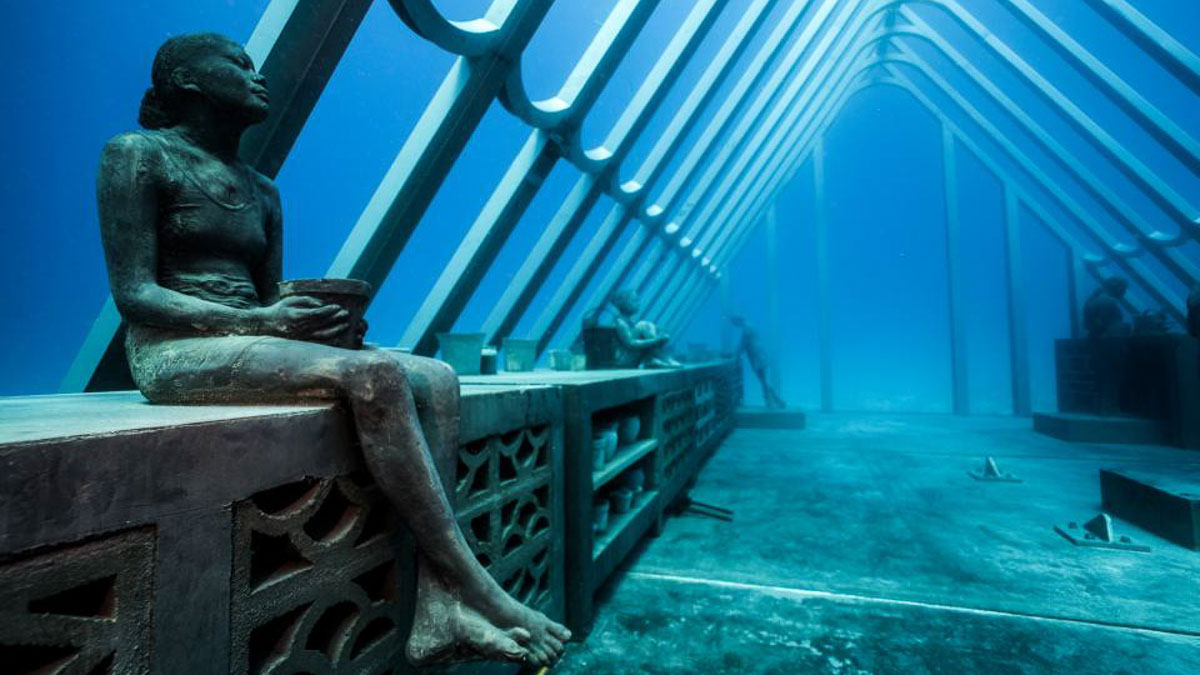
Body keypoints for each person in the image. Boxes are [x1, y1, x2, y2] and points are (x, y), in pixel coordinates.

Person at [96, 33, 567, 667]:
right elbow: (135, 296)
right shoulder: (138, 155)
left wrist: (319, 327)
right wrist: (262, 319)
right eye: (237, 64)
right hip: (173, 351)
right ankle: (478, 588)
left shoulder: (262, 188)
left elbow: (271, 301)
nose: (256, 74)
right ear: (187, 83)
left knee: (435, 376)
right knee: (372, 376)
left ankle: (437, 604)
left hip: (248, 339)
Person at [600, 289, 679, 368]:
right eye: (634, 301)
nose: (638, 304)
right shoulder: (620, 323)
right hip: (624, 361)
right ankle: (661, 358)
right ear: (623, 303)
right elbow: (630, 343)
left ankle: (651, 359)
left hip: (630, 358)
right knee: (643, 325)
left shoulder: (627, 322)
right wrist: (655, 340)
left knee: (648, 325)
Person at [728, 315, 786, 410]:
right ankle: (773, 402)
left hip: (756, 357)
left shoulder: (746, 329)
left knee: (763, 381)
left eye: (735, 323)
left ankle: (775, 401)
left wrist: (734, 355)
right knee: (763, 380)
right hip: (760, 355)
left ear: (738, 320)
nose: (735, 326)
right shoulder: (751, 326)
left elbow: (742, 345)